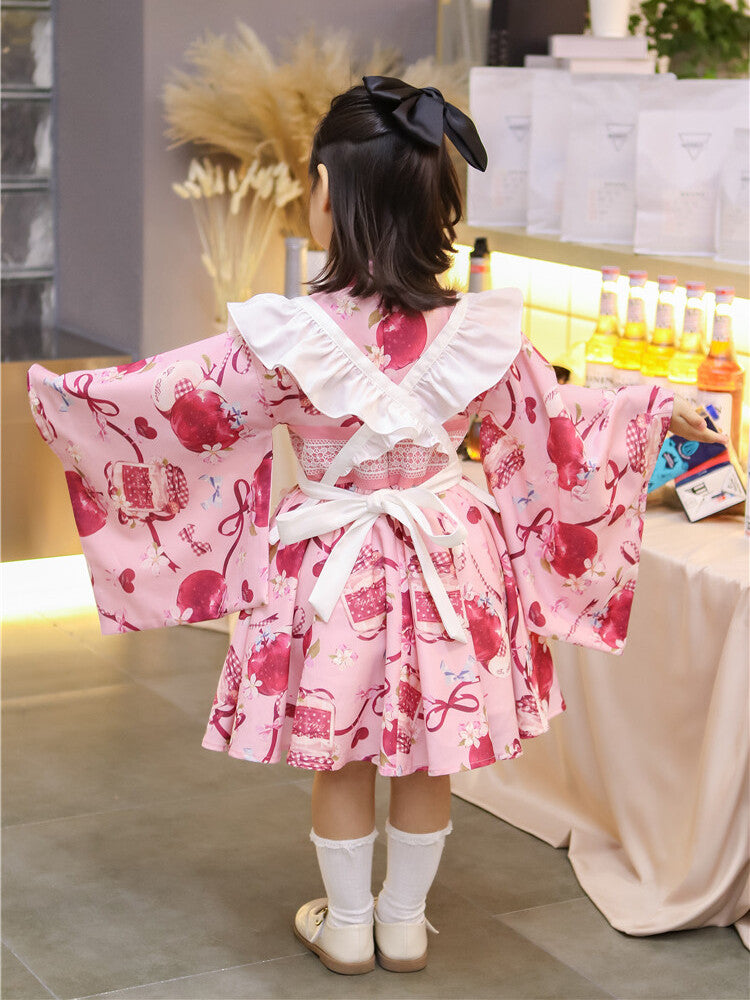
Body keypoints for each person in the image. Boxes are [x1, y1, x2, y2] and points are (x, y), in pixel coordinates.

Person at [27, 76, 724, 978]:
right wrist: (652, 409)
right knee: (430, 755)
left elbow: (172, 399)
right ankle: (404, 923)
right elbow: (557, 423)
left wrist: (66, 398)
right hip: (449, 563)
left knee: (343, 753)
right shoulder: (484, 334)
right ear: (438, 204)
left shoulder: (283, 338)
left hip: (331, 565)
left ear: (326, 193)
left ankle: (347, 925)